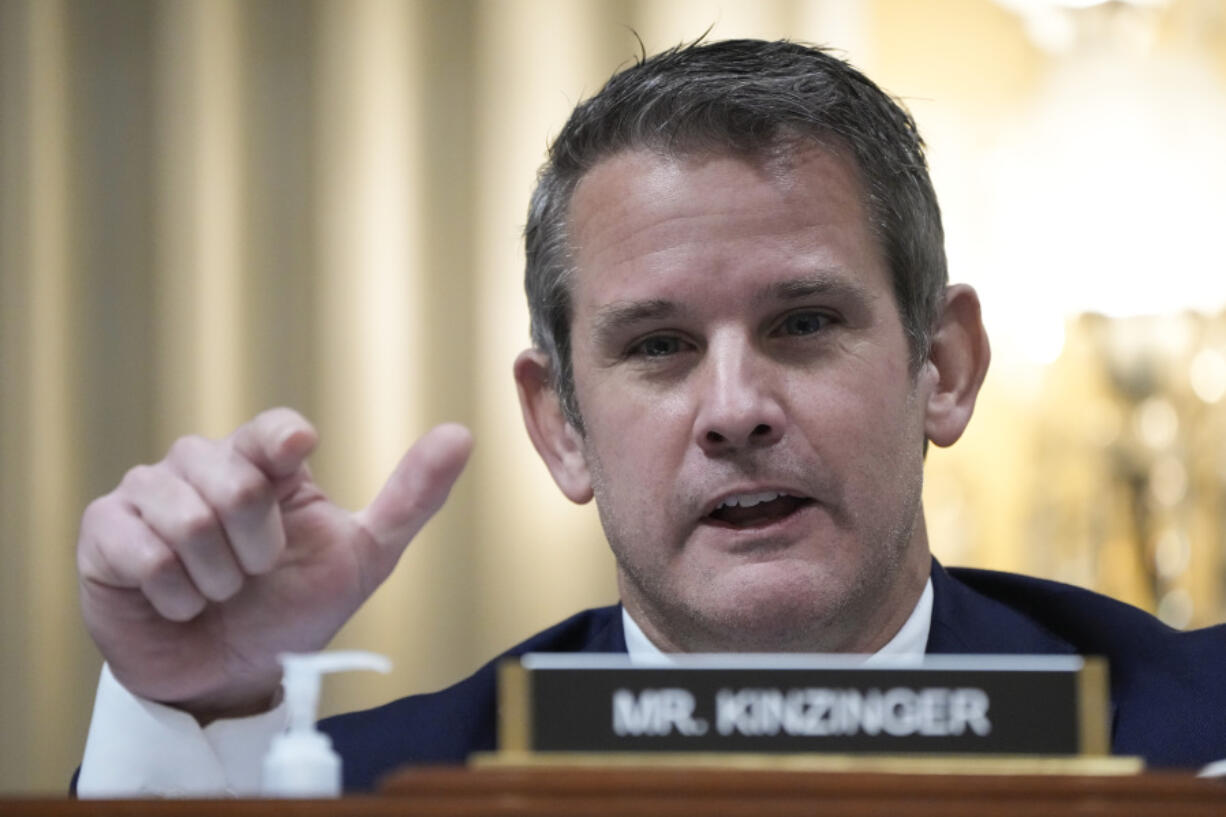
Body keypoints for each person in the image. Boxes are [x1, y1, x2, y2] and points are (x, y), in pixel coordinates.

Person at [75, 39, 1226, 796]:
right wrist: (186, 700)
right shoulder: (391, 785)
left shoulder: (1195, 735)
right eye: (659, 347)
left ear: (941, 367)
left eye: (803, 323)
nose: (734, 411)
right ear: (561, 425)